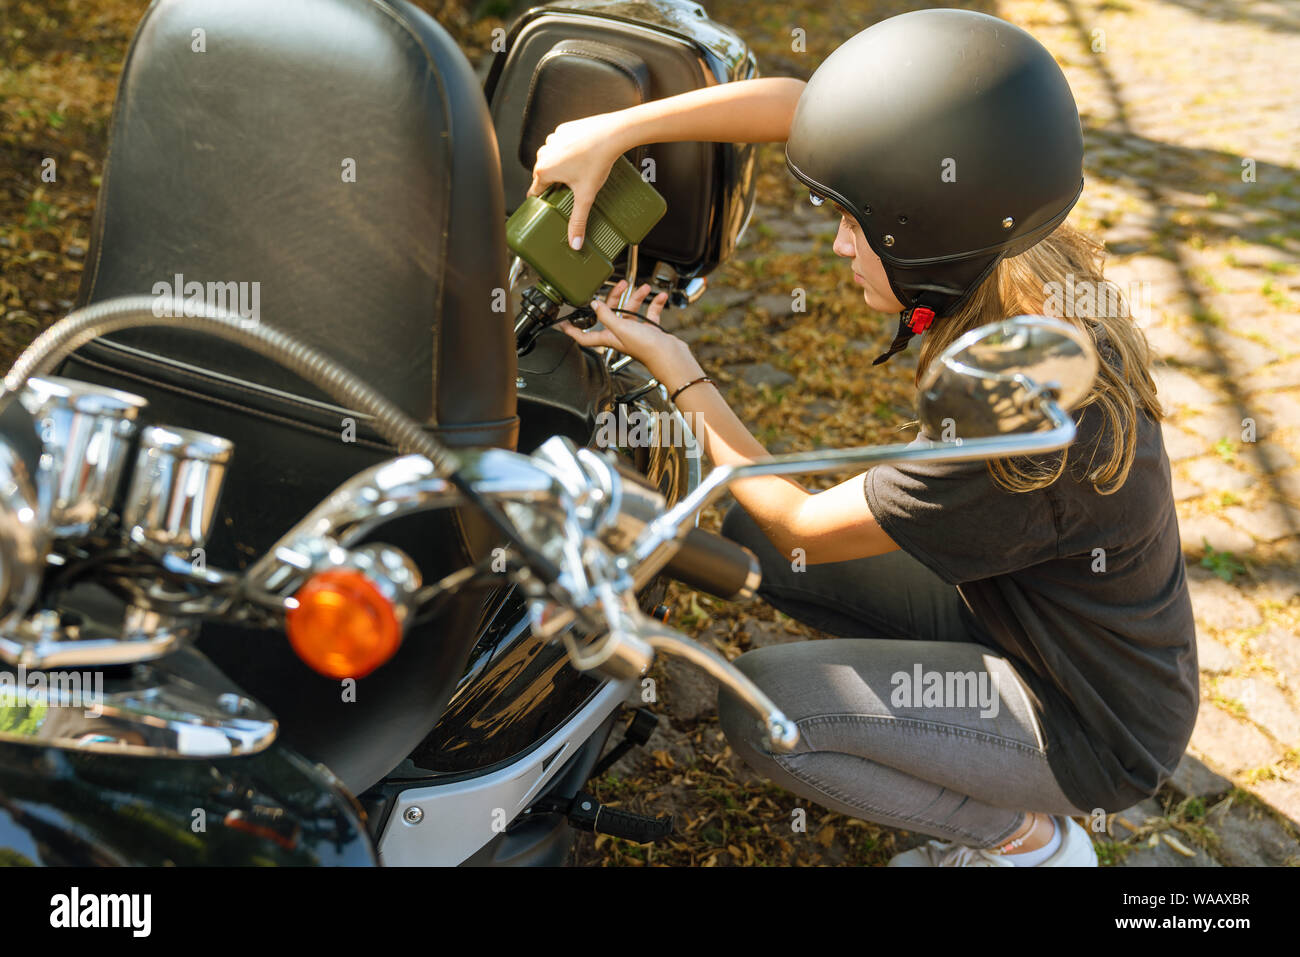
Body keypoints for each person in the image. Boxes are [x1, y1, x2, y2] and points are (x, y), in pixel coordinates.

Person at [527, 8, 1197, 867]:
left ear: (926, 230)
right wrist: (615, 129)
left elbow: (802, 523)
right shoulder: (1013, 243)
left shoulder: (1013, 414)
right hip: (1025, 615)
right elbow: (804, 107)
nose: (838, 244)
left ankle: (1025, 841)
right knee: (742, 531)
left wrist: (677, 366)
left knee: (767, 710)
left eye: (857, 223)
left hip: (1090, 721)